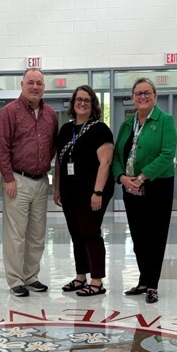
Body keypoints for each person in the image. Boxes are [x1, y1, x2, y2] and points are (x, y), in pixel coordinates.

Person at [111, 77, 177, 303]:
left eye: (147, 93)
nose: (142, 97)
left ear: (155, 96)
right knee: (138, 236)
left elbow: (167, 155)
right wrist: (121, 177)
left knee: (155, 236)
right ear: (132, 98)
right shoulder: (127, 124)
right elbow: (118, 155)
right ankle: (142, 280)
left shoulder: (165, 121)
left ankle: (153, 285)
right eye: (138, 93)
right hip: (130, 188)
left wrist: (140, 178)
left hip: (158, 186)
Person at [0, 68, 58, 296]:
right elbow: (1, 148)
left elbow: (52, 147)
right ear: (22, 85)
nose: (35, 87)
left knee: (37, 234)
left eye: (39, 83)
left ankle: (31, 276)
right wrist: (9, 179)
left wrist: (43, 170)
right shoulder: (9, 112)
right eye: (30, 82)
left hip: (41, 181)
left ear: (44, 86)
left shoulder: (51, 114)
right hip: (17, 182)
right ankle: (15, 280)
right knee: (16, 234)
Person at [53, 85, 114, 297]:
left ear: (93, 104)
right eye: (78, 99)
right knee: (76, 234)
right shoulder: (65, 130)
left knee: (90, 232)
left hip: (92, 191)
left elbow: (105, 163)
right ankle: (81, 276)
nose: (82, 103)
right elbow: (60, 162)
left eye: (87, 100)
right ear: (73, 103)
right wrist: (57, 188)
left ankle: (96, 281)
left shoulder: (100, 129)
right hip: (70, 191)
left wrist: (97, 193)